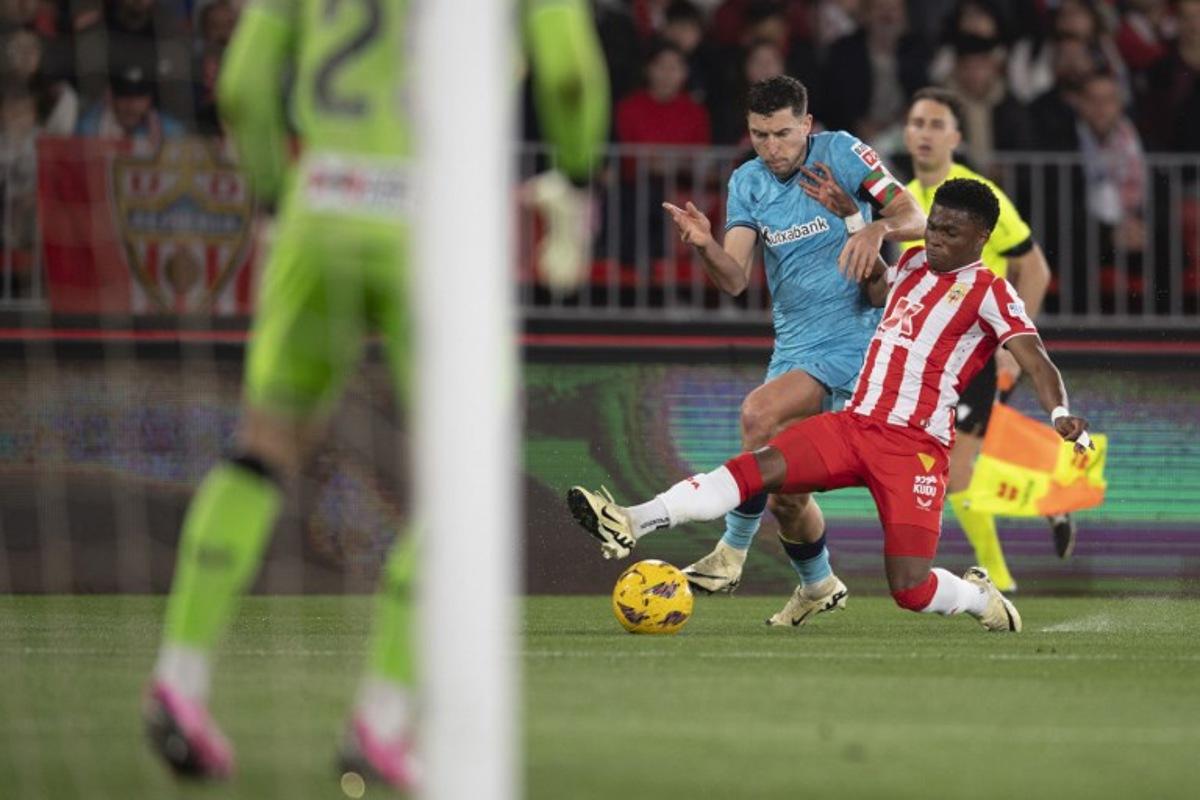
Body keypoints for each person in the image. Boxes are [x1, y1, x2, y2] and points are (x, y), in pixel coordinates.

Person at [141, 0, 607, 790]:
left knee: (264, 449)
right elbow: (566, 77)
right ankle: (381, 720)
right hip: (433, 221)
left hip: (321, 204)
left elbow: (246, 87)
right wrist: (575, 178)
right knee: (472, 473)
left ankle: (179, 682)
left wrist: (269, 198)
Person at [571, 178, 1092, 634]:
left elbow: (1037, 359)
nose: (933, 237)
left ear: (981, 238)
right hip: (854, 424)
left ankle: (980, 597)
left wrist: (1058, 413)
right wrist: (851, 218)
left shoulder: (991, 292)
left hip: (915, 449)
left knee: (910, 589)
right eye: (932, 226)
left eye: (950, 233)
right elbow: (874, 293)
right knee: (755, 469)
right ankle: (631, 520)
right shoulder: (911, 261)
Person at [662, 74, 925, 626]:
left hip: (859, 335)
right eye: (760, 135)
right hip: (795, 344)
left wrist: (875, 231)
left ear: (807, 124)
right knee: (784, 494)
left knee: (757, 413)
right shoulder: (747, 182)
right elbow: (733, 279)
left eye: (783, 133)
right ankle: (819, 582)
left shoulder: (843, 152)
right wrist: (706, 245)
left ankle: (730, 553)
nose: (773, 148)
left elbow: (915, 215)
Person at [900, 87, 1075, 591]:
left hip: (977, 353)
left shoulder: (980, 196)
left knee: (954, 472)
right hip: (931, 357)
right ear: (906, 133)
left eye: (937, 124)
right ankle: (1048, 497)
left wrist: (1013, 345)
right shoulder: (906, 198)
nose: (926, 133)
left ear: (957, 135)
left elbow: (1035, 269)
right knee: (949, 469)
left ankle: (999, 578)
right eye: (918, 123)